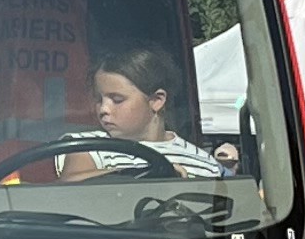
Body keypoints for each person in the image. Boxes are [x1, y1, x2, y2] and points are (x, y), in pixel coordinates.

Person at [74, 49, 214, 178]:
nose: (104, 109)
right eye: (99, 100)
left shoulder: (205, 163)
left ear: (156, 101)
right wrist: (140, 174)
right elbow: (71, 184)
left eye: (117, 100)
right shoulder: (87, 146)